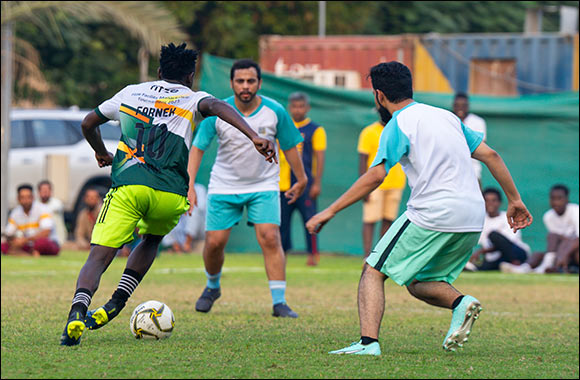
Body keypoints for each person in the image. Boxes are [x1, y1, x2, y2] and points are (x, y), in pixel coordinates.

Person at [306, 61, 532, 355]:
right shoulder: (447, 117)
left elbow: (376, 175)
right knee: (419, 281)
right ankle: (460, 303)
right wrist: (514, 200)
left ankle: (368, 344)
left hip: (433, 212)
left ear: (379, 96)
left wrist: (329, 211)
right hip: (472, 216)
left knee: (373, 270)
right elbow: (491, 155)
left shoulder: (397, 124)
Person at [59, 43, 276, 346]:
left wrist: (101, 152)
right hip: (170, 194)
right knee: (150, 240)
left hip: (129, 187)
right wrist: (254, 136)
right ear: (190, 76)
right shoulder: (192, 97)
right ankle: (115, 304)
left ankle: (77, 312)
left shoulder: (131, 92)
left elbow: (88, 123)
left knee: (99, 255)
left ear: (159, 72)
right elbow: (217, 108)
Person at [189, 59, 307, 318]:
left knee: (270, 237)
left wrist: (302, 179)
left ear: (259, 83)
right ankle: (212, 287)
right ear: (231, 83)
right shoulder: (217, 111)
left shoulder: (275, 111)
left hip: (263, 184)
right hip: (223, 184)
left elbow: (289, 146)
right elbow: (198, 148)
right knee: (214, 243)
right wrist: (190, 185)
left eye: (250, 81)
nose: (245, 86)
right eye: (240, 81)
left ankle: (279, 302)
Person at [279, 92, 327, 266]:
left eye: (301, 106)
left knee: (310, 220)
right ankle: (282, 253)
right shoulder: (283, 127)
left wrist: (317, 183)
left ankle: (313, 254)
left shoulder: (315, 129)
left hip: (306, 186)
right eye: (294, 106)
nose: (297, 110)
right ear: (289, 108)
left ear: (307, 108)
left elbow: (319, 157)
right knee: (282, 223)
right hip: (283, 184)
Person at [358, 109, 406, 259]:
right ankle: (367, 255)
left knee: (388, 220)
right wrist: (363, 189)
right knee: (370, 219)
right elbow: (362, 160)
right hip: (374, 184)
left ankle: (380, 255)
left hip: (396, 182)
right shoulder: (368, 132)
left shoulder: (399, 131)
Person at [501, 184, 579, 274]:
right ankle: (523, 269)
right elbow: (555, 243)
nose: (556, 202)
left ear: (567, 199)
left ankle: (549, 266)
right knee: (538, 254)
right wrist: (559, 255)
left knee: (555, 238)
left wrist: (565, 254)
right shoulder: (548, 216)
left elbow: (576, 239)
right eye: (553, 198)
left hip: (573, 251)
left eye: (559, 198)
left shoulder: (576, 211)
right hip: (561, 252)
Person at [465, 187, 530, 271]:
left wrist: (481, 252)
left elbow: (506, 243)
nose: (490, 203)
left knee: (494, 235)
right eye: (487, 200)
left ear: (499, 202)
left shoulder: (508, 218)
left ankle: (516, 265)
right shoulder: (480, 220)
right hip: (496, 257)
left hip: (516, 253)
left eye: (494, 200)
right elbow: (483, 242)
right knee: (486, 267)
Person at [1, 184, 60, 256]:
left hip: (45, 242)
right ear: (18, 199)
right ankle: (30, 253)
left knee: (41, 243)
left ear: (33, 197)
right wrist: (15, 240)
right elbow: (9, 233)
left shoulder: (43, 209)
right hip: (27, 245)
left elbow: (46, 232)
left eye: (28, 197)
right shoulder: (15, 213)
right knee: (4, 245)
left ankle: (24, 253)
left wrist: (25, 240)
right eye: (23, 197)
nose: (26, 200)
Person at [452, 93, 487, 187]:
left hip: (473, 170)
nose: (460, 108)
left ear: (468, 106)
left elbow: (480, 146)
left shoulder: (477, 121)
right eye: (457, 105)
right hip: (451, 172)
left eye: (463, 106)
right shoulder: (449, 120)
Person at [161, 183, 207, 253]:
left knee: (193, 211)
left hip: (199, 230)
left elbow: (200, 208)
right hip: (179, 227)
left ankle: (187, 245)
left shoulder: (199, 188)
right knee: (165, 213)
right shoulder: (171, 189)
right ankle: (176, 247)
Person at [37, 180, 68, 244]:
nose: (45, 193)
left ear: (51, 191)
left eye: (47, 190)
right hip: (41, 236)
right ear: (39, 192)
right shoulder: (35, 204)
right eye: (43, 191)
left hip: (56, 237)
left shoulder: (57, 203)